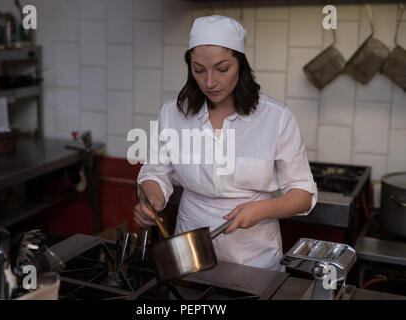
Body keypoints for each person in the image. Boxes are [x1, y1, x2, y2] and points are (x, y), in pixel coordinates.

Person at [134, 15, 317, 271]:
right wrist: (151, 199)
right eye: (199, 70)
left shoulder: (275, 117)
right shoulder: (173, 113)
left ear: (240, 65)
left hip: (254, 256)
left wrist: (261, 209)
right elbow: (156, 172)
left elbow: (302, 194)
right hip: (190, 251)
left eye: (222, 69)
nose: (210, 82)